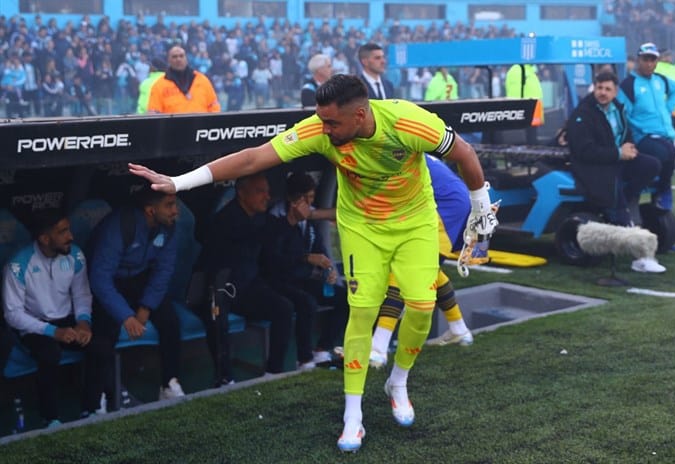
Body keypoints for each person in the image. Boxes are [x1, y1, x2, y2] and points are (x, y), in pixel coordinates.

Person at [129, 74, 496, 453]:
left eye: (332, 122)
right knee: (363, 309)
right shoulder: (322, 129)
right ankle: (353, 415)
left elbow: (465, 154)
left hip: (415, 221)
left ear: (359, 115)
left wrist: (481, 205)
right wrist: (179, 182)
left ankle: (397, 382)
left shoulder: (408, 121)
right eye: (321, 120)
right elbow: (255, 157)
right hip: (362, 227)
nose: (324, 129)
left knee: (421, 307)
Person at [368, 155, 475, 368]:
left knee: (402, 270)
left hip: (444, 207)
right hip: (453, 202)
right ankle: (458, 329)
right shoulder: (410, 148)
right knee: (430, 269)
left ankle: (378, 347)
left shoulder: (389, 154)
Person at [86, 189, 185, 407]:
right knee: (103, 330)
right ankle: (101, 396)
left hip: (139, 278)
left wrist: (146, 307)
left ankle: (169, 383)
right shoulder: (120, 226)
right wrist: (126, 316)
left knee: (170, 321)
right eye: (169, 205)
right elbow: (100, 278)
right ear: (151, 210)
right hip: (110, 281)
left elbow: (164, 270)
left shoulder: (169, 227)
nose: (175, 211)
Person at [2, 209, 95, 427]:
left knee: (97, 345)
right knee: (50, 353)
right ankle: (50, 418)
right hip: (32, 325)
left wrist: (84, 322)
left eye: (68, 229)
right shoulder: (17, 265)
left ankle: (92, 409)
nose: (70, 236)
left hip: (66, 319)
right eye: (62, 232)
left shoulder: (75, 255)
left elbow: (81, 294)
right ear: (45, 238)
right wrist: (53, 332)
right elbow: (13, 314)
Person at [196, 173, 296, 376]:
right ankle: (224, 379)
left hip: (246, 287)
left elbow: (273, 232)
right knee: (217, 314)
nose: (266, 197)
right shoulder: (226, 218)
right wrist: (290, 221)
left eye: (267, 192)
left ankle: (273, 372)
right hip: (217, 287)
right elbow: (251, 233)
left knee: (284, 308)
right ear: (241, 193)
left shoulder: (260, 216)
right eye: (260, 192)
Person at [566, 71, 666, 273]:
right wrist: (619, 153)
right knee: (613, 187)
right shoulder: (582, 114)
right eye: (599, 88)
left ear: (615, 91)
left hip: (615, 160)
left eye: (607, 89)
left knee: (652, 164)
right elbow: (584, 151)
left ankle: (625, 200)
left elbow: (625, 134)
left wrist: (629, 148)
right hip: (593, 166)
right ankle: (639, 256)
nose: (602, 93)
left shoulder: (618, 109)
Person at [265, 172, 349, 364]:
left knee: (344, 298)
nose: (309, 203)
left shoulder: (309, 218)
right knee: (306, 302)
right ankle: (304, 359)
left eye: (311, 198)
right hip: (279, 281)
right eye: (304, 198)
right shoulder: (275, 218)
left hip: (303, 279)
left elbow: (317, 247)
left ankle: (322, 349)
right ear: (292, 199)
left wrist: (328, 267)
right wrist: (306, 257)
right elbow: (274, 258)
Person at [618, 42, 675, 212]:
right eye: (646, 59)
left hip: (664, 134)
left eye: (653, 60)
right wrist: (633, 130)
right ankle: (662, 192)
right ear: (639, 59)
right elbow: (623, 114)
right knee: (668, 153)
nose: (650, 64)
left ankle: (649, 197)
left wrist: (668, 110)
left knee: (664, 157)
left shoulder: (660, 80)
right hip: (643, 136)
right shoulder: (629, 85)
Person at [147, 45, 221, 114]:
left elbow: (214, 106)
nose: (178, 59)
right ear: (169, 60)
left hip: (201, 126)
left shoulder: (202, 80)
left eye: (181, 56)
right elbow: (154, 113)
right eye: (174, 57)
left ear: (186, 58)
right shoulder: (159, 86)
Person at [505, 63, 544, 144]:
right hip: (524, 114)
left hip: (530, 114)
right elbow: (515, 94)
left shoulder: (529, 70)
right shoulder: (518, 70)